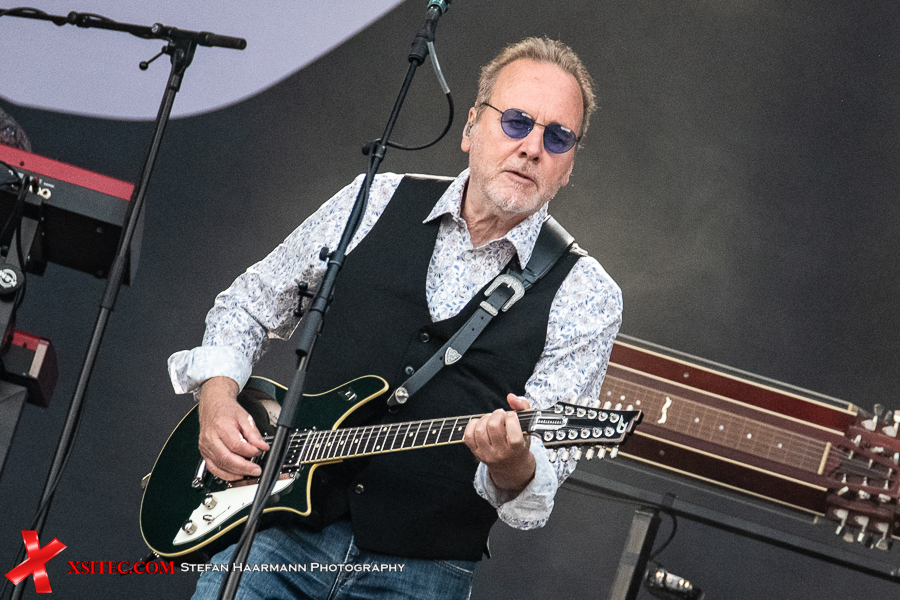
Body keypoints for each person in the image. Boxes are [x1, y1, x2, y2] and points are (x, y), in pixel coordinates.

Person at [168, 37, 622, 600]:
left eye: (557, 137)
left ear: (569, 164)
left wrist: (512, 463)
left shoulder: (589, 294)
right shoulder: (373, 200)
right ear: (471, 128)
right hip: (276, 533)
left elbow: (535, 486)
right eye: (516, 122)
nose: (532, 147)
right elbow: (248, 303)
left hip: (424, 573)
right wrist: (216, 398)